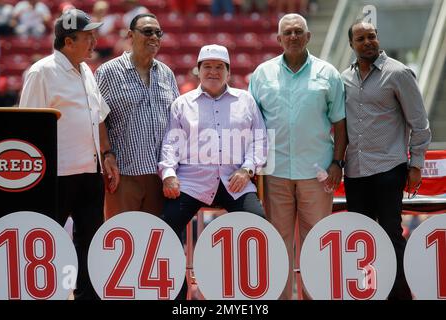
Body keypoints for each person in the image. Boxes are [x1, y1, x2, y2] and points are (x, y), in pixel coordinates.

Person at [18, 9, 119, 300]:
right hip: (56, 174)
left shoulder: (86, 69)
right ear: (68, 41)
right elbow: (29, 127)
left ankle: (86, 295)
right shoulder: (42, 72)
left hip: (89, 171)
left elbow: (98, 116)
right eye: (87, 37)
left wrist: (107, 153)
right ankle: (36, 291)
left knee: (89, 240)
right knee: (45, 238)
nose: (94, 41)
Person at [249, 13, 347, 300]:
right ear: (278, 39)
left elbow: (340, 123)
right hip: (274, 173)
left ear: (308, 37)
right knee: (276, 244)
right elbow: (252, 122)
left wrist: (337, 163)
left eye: (298, 32)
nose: (293, 36)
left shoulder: (328, 73)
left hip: (317, 173)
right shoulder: (261, 74)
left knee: (316, 243)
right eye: (287, 32)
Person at [159, 44, 268, 299]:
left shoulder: (246, 100)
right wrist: (169, 174)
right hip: (192, 182)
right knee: (165, 227)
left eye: (219, 67)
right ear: (198, 71)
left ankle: (241, 291)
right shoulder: (182, 104)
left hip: (234, 181)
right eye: (207, 66)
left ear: (228, 72)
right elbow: (170, 144)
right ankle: (178, 295)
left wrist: (247, 169)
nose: (213, 71)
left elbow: (260, 140)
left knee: (258, 226)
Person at [342, 21, 431, 300]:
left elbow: (420, 123)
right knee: (362, 236)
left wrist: (415, 164)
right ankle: (370, 292)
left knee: (390, 233)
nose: (367, 42)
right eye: (361, 38)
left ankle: (400, 294)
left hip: (389, 168)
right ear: (352, 44)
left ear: (378, 38)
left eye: (372, 36)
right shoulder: (343, 78)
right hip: (355, 172)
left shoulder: (399, 73)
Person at [95, 13, 179, 220]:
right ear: (131, 35)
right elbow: (96, 118)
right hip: (122, 174)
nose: (154, 37)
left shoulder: (166, 73)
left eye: (158, 33)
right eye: (147, 31)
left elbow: (177, 120)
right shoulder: (108, 72)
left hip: (159, 175)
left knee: (155, 242)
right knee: (120, 237)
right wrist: (106, 154)